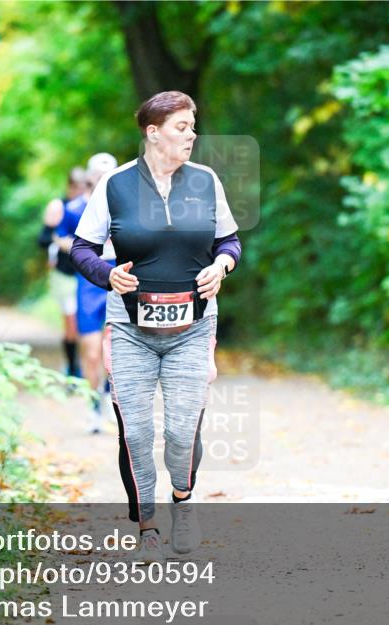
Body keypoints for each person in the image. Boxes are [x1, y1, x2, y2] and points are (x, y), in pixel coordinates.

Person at [70, 91, 242, 563]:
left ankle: (182, 501)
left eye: (192, 126)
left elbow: (229, 241)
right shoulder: (115, 185)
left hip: (193, 325)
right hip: (130, 327)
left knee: (182, 432)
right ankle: (147, 524)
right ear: (153, 132)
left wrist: (221, 266)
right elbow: (82, 249)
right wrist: (109, 275)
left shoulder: (206, 181)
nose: (191, 135)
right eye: (181, 127)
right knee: (136, 433)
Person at [58, 153, 119, 434]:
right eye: (98, 174)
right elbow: (60, 236)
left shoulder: (126, 205)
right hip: (89, 280)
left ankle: (109, 398)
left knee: (115, 349)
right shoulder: (74, 208)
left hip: (120, 276)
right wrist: (83, 249)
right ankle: (94, 406)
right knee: (92, 351)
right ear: (90, 176)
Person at [40, 168, 87, 377]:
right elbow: (43, 239)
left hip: (87, 274)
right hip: (65, 272)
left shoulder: (91, 206)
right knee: (71, 322)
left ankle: (87, 366)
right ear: (69, 186)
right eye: (75, 187)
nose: (79, 191)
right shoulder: (59, 206)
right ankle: (73, 368)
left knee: (87, 323)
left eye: (83, 186)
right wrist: (59, 241)